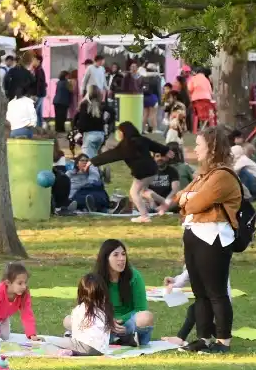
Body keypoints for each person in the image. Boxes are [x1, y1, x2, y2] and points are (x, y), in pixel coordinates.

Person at [175, 126, 242, 353]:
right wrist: (188, 197)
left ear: (212, 148)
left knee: (216, 291)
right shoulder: (204, 175)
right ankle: (203, 338)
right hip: (194, 234)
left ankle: (223, 341)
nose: (195, 148)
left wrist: (189, 198)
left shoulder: (222, 176)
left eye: (199, 144)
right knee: (199, 292)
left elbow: (193, 204)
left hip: (213, 237)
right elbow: (179, 198)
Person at [91, 122, 170, 222]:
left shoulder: (125, 146)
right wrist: (166, 150)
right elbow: (155, 145)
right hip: (152, 169)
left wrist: (92, 161)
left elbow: (110, 155)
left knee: (134, 192)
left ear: (123, 132)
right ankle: (165, 202)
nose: (118, 134)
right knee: (143, 191)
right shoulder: (142, 139)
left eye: (119, 132)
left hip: (143, 172)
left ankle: (144, 216)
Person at [92, 239, 153, 346]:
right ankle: (119, 339)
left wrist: (119, 321)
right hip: (104, 325)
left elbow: (141, 308)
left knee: (146, 317)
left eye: (123, 254)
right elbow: (91, 309)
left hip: (128, 324)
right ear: (106, 258)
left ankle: (128, 338)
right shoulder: (95, 279)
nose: (121, 259)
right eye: (116, 255)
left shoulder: (134, 276)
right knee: (69, 320)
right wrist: (108, 321)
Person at [52, 273, 114, 356]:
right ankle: (72, 351)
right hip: (100, 350)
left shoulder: (80, 309)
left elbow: (76, 331)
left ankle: (66, 352)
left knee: (47, 344)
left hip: (83, 346)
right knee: (69, 334)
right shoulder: (106, 310)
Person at [73, 86, 108, 157]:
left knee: (87, 159)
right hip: (100, 135)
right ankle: (100, 167)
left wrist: (79, 131)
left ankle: (97, 167)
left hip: (89, 135)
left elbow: (82, 121)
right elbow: (112, 112)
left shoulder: (84, 105)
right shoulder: (101, 104)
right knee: (95, 157)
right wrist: (106, 122)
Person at [52, 70, 73, 135]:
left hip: (56, 101)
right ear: (66, 76)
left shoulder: (58, 82)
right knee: (63, 116)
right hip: (63, 102)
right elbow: (71, 92)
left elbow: (56, 92)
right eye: (68, 76)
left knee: (57, 116)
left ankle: (57, 129)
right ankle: (61, 130)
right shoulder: (67, 83)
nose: (69, 77)